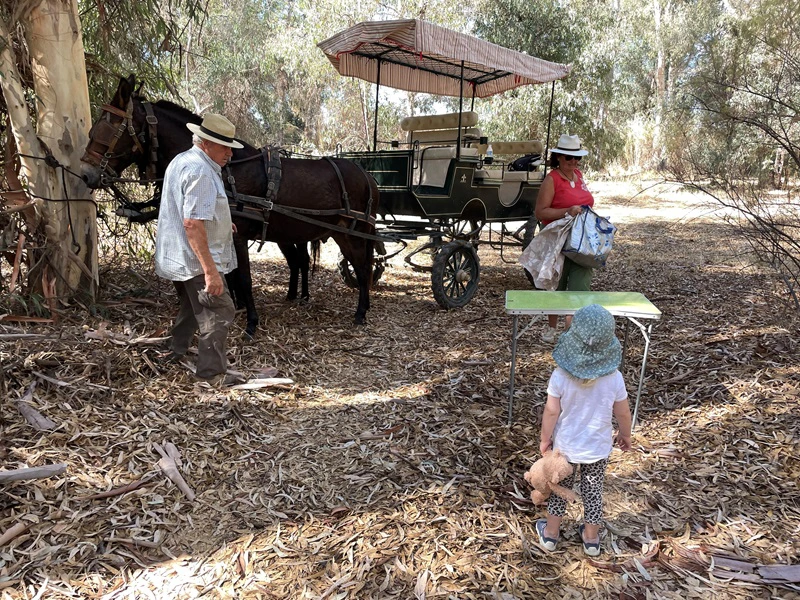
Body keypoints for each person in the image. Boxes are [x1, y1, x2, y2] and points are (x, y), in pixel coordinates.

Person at [535, 304, 632, 557]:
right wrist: (625, 434)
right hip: (598, 447)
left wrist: (545, 439)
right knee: (593, 491)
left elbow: (551, 411)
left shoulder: (560, 376)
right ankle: (591, 539)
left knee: (559, 489)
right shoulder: (614, 378)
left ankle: (551, 535)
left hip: (565, 447)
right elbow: (622, 412)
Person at [154, 113, 244, 385]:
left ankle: (175, 348)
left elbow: (193, 211)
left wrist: (222, 223)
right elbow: (192, 223)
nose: (229, 153)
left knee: (192, 306)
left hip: (178, 255)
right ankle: (211, 374)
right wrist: (211, 273)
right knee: (219, 312)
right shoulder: (201, 171)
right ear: (205, 143)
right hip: (195, 260)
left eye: (230, 146)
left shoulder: (183, 160)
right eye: (224, 146)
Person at [535, 134, 595, 343]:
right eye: (569, 158)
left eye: (577, 158)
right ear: (559, 157)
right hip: (559, 240)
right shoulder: (552, 179)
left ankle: (572, 330)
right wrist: (566, 212)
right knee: (557, 283)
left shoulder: (578, 176)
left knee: (581, 283)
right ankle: (552, 328)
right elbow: (541, 212)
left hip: (583, 240)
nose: (574, 162)